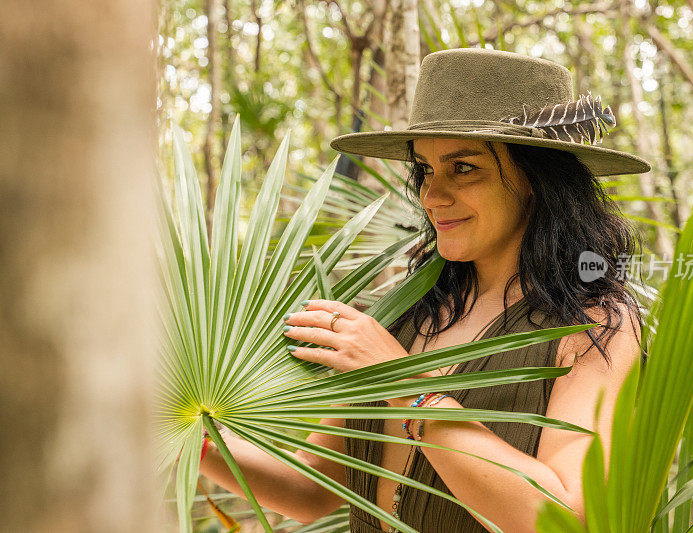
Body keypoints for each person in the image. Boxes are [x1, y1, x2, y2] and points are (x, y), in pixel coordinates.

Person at [199, 48, 650, 532]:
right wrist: (188, 436)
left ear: (537, 178)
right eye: (426, 169)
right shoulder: (404, 314)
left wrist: (408, 387)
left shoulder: (592, 327)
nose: (432, 196)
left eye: (463, 168)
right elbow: (308, 488)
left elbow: (567, 518)